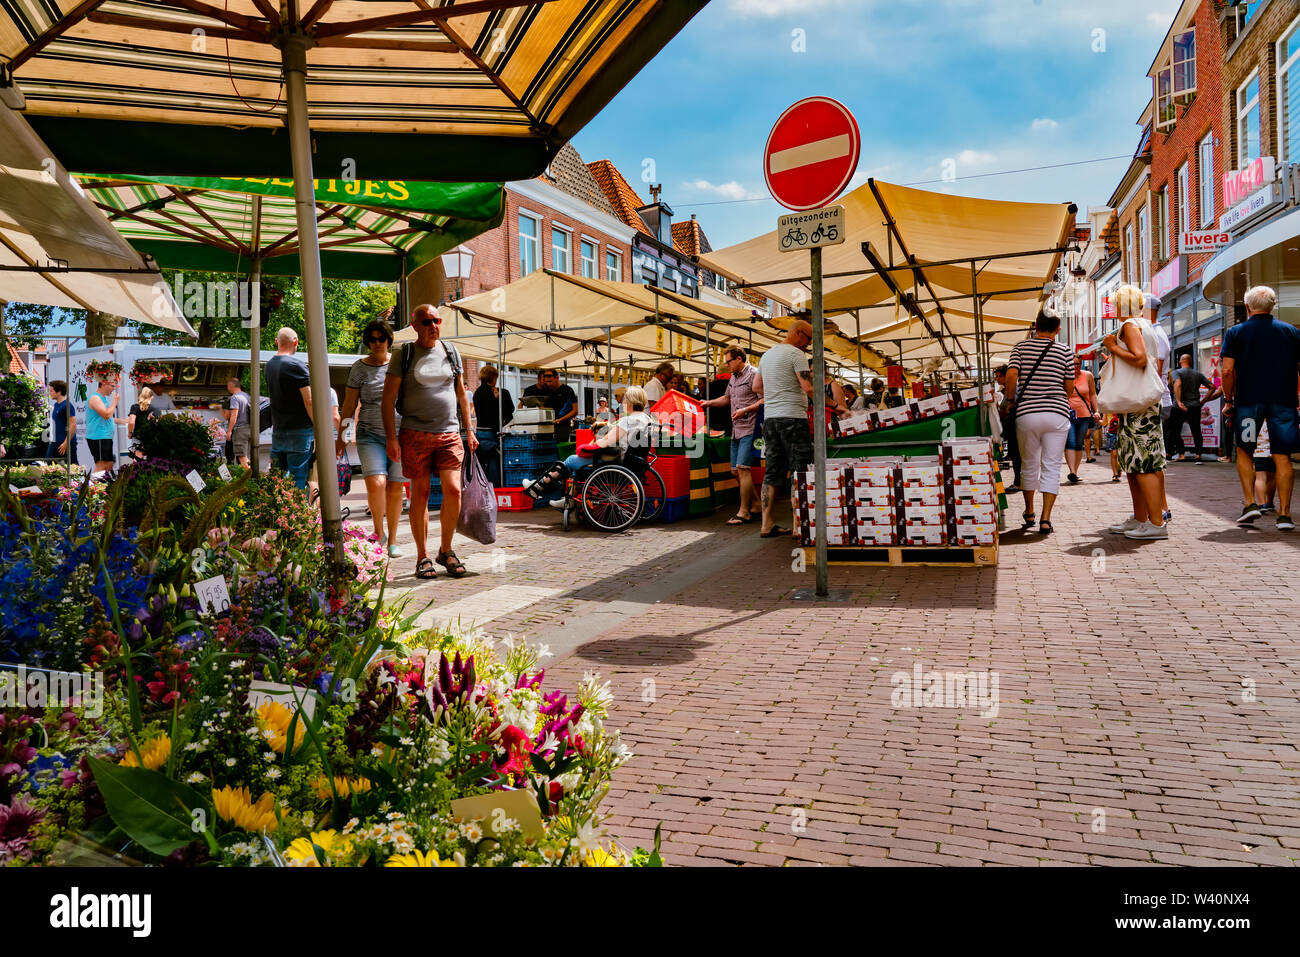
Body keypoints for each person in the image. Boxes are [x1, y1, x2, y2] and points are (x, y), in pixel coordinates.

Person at [382, 303, 478, 579]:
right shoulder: (405, 353)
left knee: (453, 490)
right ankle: (422, 556)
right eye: (426, 322)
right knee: (421, 493)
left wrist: (468, 429)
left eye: (437, 320)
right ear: (415, 325)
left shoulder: (451, 351)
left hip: (449, 433)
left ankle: (445, 550)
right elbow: (388, 399)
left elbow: (461, 393)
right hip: (415, 433)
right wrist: (391, 438)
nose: (433, 326)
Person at [1221, 284, 1300, 530]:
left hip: (1248, 403)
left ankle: (1250, 503)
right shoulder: (1291, 332)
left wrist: (1228, 400)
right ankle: (1284, 515)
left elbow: (1227, 371)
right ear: (1272, 306)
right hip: (1284, 403)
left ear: (1247, 307)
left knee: (1245, 450)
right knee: (1282, 456)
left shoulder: (1235, 333)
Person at [1104, 285, 1169, 540]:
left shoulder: (1130, 325)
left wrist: (1113, 346)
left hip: (1138, 404)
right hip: (1140, 403)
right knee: (1134, 462)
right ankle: (1141, 518)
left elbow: (1140, 359)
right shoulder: (1145, 325)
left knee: (1142, 462)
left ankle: (1154, 522)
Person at [1004, 307, 1074, 534]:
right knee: (1052, 465)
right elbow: (1069, 388)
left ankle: (1029, 511)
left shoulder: (1020, 347)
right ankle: (1046, 519)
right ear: (1058, 329)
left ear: (1035, 326)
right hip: (1057, 413)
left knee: (1029, 463)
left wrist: (1009, 398)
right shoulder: (1065, 351)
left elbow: (1012, 374)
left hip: (1028, 413)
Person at [339, 319, 405, 557]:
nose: (377, 344)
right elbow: (348, 405)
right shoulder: (359, 368)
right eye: (373, 340)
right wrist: (342, 435)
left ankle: (393, 540)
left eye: (382, 339)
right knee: (376, 483)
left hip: (399, 434)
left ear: (389, 340)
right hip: (369, 433)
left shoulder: (398, 364)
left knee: (396, 487)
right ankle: (379, 532)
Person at [753, 319, 814, 538]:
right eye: (808, 339)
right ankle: (799, 525)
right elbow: (807, 387)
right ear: (798, 334)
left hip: (771, 420)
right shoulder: (797, 354)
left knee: (772, 471)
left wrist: (777, 391)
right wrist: (833, 405)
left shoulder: (766, 355)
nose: (808, 344)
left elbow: (756, 386)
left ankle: (766, 524)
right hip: (793, 419)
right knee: (799, 470)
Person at [701, 345, 763, 525]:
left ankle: (744, 512)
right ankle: (757, 504)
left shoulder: (754, 374)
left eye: (729, 361)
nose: (727, 365)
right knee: (735, 470)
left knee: (743, 468)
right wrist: (709, 403)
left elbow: (765, 398)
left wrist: (746, 410)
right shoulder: (733, 378)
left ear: (739, 359)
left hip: (750, 428)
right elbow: (727, 398)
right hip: (736, 430)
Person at [265, 326, 315, 489]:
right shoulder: (297, 366)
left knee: (276, 478)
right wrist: (319, 426)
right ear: (296, 342)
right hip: (300, 431)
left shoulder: (269, 365)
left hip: (278, 430)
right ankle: (297, 513)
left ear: (276, 342)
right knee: (297, 479)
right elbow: (309, 401)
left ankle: (275, 512)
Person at [472, 364, 514, 486]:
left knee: (482, 460)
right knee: (494, 460)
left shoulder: (477, 393)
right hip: (492, 431)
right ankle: (494, 486)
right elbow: (509, 410)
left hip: (479, 431)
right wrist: (497, 399)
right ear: (494, 377)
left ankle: (483, 485)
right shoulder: (501, 393)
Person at [1170, 354, 1217, 462]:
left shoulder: (1176, 372)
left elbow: (1178, 384)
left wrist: (1178, 401)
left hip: (1179, 407)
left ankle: (1181, 454)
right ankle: (1198, 455)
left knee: (1175, 430)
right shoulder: (1198, 374)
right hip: (1195, 406)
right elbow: (1212, 387)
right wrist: (1202, 401)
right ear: (1191, 362)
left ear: (1180, 361)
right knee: (1196, 431)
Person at [1064, 355, 1097, 485]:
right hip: (1069, 415)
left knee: (1078, 443)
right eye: (1072, 365)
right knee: (1070, 442)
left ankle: (1075, 472)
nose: (1075, 367)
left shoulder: (1088, 375)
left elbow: (1093, 394)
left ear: (1081, 364)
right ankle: (1071, 471)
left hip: (1084, 415)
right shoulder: (1064, 377)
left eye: (1077, 364)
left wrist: (1097, 411)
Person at [523, 369, 578, 445]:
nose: (548, 384)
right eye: (546, 382)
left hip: (562, 427)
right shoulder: (546, 390)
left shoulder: (567, 390)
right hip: (547, 426)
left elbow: (575, 411)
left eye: (550, 382)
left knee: (559, 448)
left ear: (557, 378)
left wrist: (561, 420)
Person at [85, 375, 120, 473]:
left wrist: (127, 421)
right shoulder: (95, 398)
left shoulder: (102, 399)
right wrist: (115, 402)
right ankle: (93, 486)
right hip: (98, 436)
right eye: (112, 386)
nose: (113, 389)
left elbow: (109, 418)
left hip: (104, 436)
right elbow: (107, 415)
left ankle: (100, 485)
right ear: (104, 384)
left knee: (109, 464)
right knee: (102, 464)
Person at [994, 364, 1021, 490]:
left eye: (1000, 376)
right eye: (996, 376)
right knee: (1015, 456)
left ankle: (1018, 483)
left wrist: (1001, 411)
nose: (997, 379)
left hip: (1016, 427)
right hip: (1012, 427)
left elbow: (1012, 408)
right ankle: (1018, 481)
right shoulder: (1006, 391)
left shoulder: (1013, 389)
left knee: (1017, 456)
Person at [225, 378, 252, 468]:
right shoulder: (247, 396)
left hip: (240, 429)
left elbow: (234, 415)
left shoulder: (235, 397)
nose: (228, 388)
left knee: (241, 456)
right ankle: (251, 474)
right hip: (250, 428)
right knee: (246, 456)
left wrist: (229, 431)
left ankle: (249, 479)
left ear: (231, 386)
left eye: (228, 386)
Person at [46, 380, 75, 463]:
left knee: (72, 467)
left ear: (59, 392)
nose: (50, 393)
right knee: (49, 465)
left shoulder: (67, 405)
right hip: (55, 442)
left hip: (64, 444)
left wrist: (66, 443)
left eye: (51, 391)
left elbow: (73, 425)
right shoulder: (56, 405)